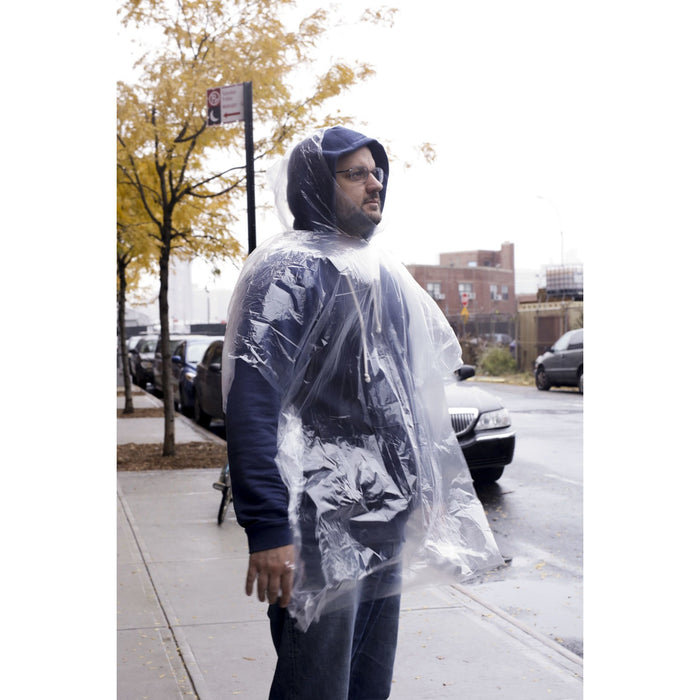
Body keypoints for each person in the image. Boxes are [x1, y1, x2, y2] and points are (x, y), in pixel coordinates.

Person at [222, 126, 502, 699]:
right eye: (355, 174)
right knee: (317, 687)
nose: (375, 184)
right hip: (316, 524)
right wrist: (267, 525)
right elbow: (252, 400)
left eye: (377, 173)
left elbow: (403, 400)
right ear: (314, 185)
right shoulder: (287, 270)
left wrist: (423, 491)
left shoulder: (381, 272)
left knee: (369, 685)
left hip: (385, 518)